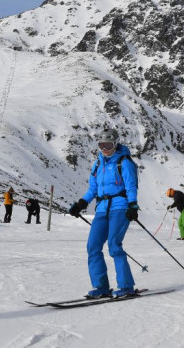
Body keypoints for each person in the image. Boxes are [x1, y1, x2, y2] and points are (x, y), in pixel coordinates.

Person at [68, 128, 139, 299]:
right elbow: (93, 188)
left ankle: (126, 286)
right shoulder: (98, 163)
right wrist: (81, 203)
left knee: (114, 245)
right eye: (102, 145)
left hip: (120, 207)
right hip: (101, 208)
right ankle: (101, 287)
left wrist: (133, 206)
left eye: (108, 145)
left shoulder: (124, 162)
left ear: (115, 143)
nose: (105, 149)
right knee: (92, 247)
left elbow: (131, 186)